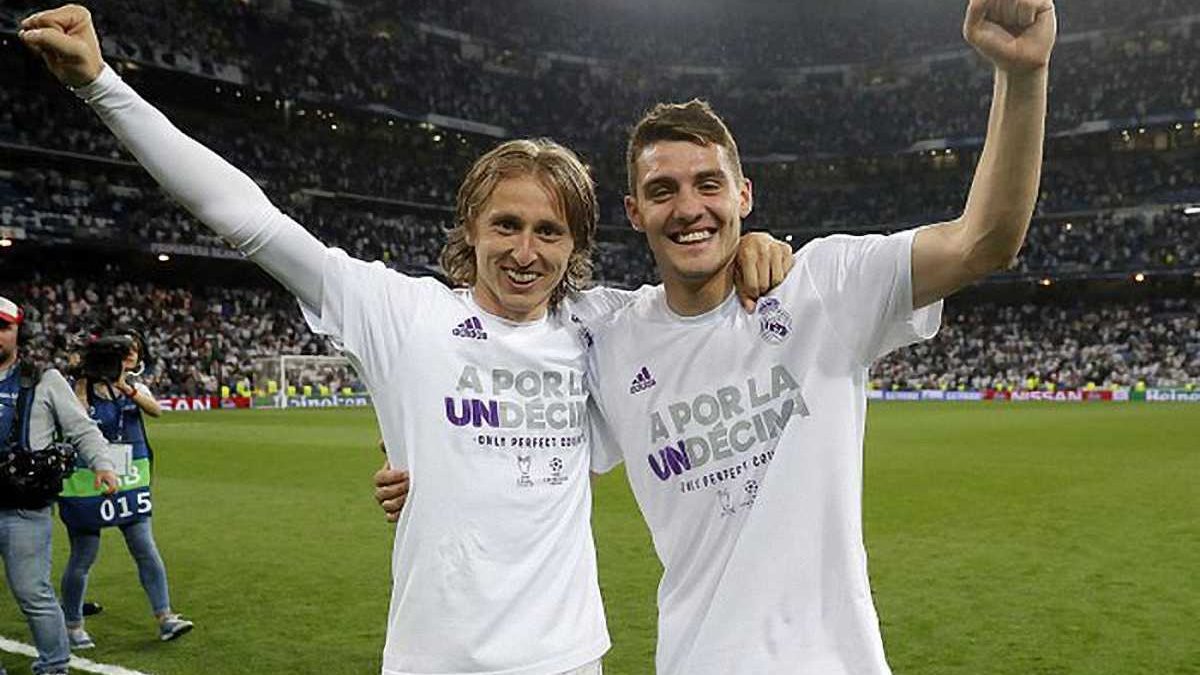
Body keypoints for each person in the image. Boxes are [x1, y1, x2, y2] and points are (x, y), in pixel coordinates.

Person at [17, 7, 792, 673]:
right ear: (471, 229)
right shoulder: (402, 314)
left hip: (567, 656)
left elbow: (700, 293)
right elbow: (247, 218)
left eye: (550, 231)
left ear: (576, 244)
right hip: (433, 657)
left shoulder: (603, 327)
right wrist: (100, 84)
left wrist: (754, 249)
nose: (526, 252)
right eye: (507, 225)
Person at [380, 1, 1057, 672]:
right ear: (634, 211)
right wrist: (430, 462)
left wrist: (1022, 76)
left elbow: (983, 242)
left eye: (709, 184)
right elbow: (507, 395)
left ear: (744, 195)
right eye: (662, 190)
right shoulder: (606, 336)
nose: (689, 208)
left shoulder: (825, 287)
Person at [0, 294, 120, 675]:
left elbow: (82, 429)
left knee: (32, 592)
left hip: (24, 507)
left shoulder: (44, 379)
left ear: (20, 332)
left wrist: (103, 464)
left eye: (3, 327)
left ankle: (54, 666)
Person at [59, 331, 193, 648]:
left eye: (133, 351)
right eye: (122, 353)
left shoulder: (133, 386)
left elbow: (156, 410)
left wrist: (124, 387)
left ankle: (165, 617)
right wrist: (82, 383)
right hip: (88, 479)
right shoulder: (80, 387)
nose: (127, 357)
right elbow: (75, 421)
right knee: (84, 554)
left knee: (145, 547)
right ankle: (72, 624)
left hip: (130, 479)